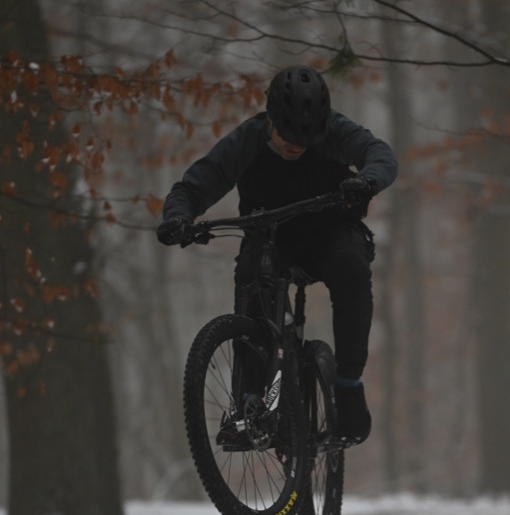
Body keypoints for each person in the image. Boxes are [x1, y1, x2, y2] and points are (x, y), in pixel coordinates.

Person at [157, 65, 398, 444]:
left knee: (351, 269)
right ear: (270, 118)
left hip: (332, 232)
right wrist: (178, 217)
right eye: (288, 134)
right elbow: (193, 187)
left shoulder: (335, 131)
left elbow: (380, 154)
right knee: (253, 277)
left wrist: (367, 180)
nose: (296, 144)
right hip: (271, 238)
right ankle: (251, 403)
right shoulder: (247, 140)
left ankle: (349, 385)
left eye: (307, 136)